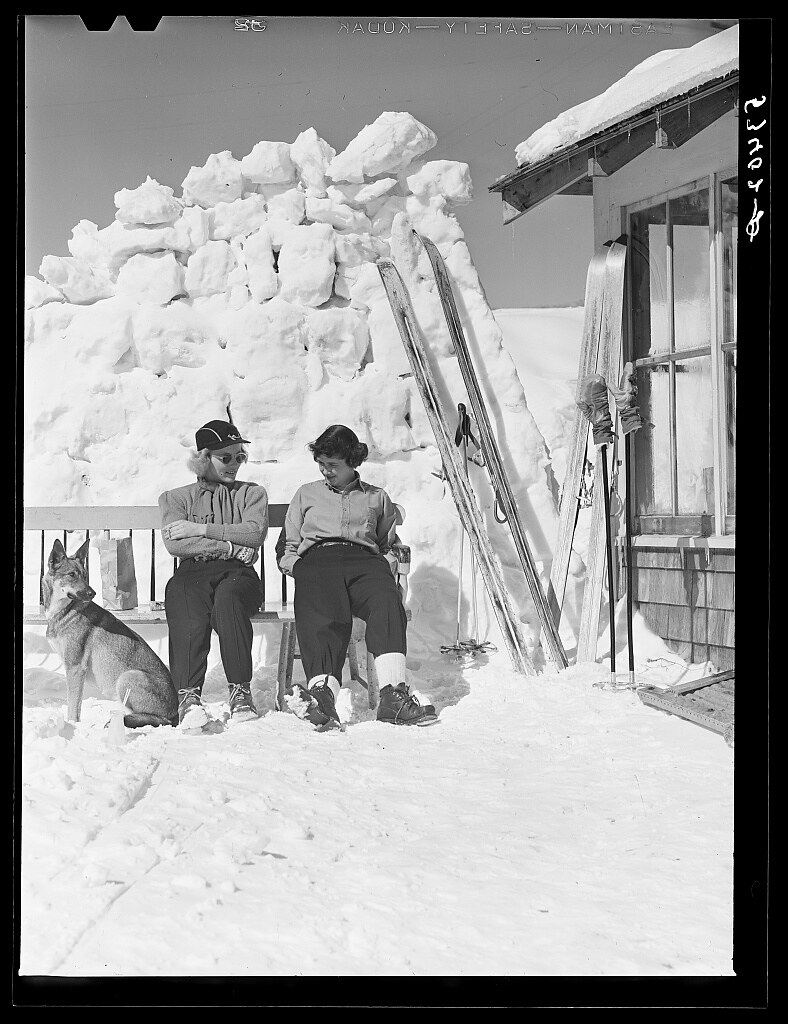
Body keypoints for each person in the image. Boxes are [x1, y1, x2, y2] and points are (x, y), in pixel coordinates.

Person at [277, 424, 437, 728]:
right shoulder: (306, 494)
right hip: (318, 561)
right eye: (321, 464)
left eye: (333, 465)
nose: (325, 471)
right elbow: (288, 543)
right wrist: (298, 567)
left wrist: (384, 562)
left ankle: (393, 697)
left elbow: (386, 542)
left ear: (353, 461)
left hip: (364, 561)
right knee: (322, 615)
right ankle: (322, 696)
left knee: (386, 600)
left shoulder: (376, 498)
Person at [159, 419, 268, 728]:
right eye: (226, 457)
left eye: (240, 456)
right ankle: (188, 695)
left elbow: (254, 533)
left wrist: (200, 528)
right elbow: (176, 545)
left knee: (228, 600)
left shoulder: (252, 494)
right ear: (204, 458)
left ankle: (240, 690)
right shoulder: (176, 498)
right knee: (184, 598)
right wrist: (229, 547)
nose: (235, 464)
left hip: (238, 574)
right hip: (195, 570)